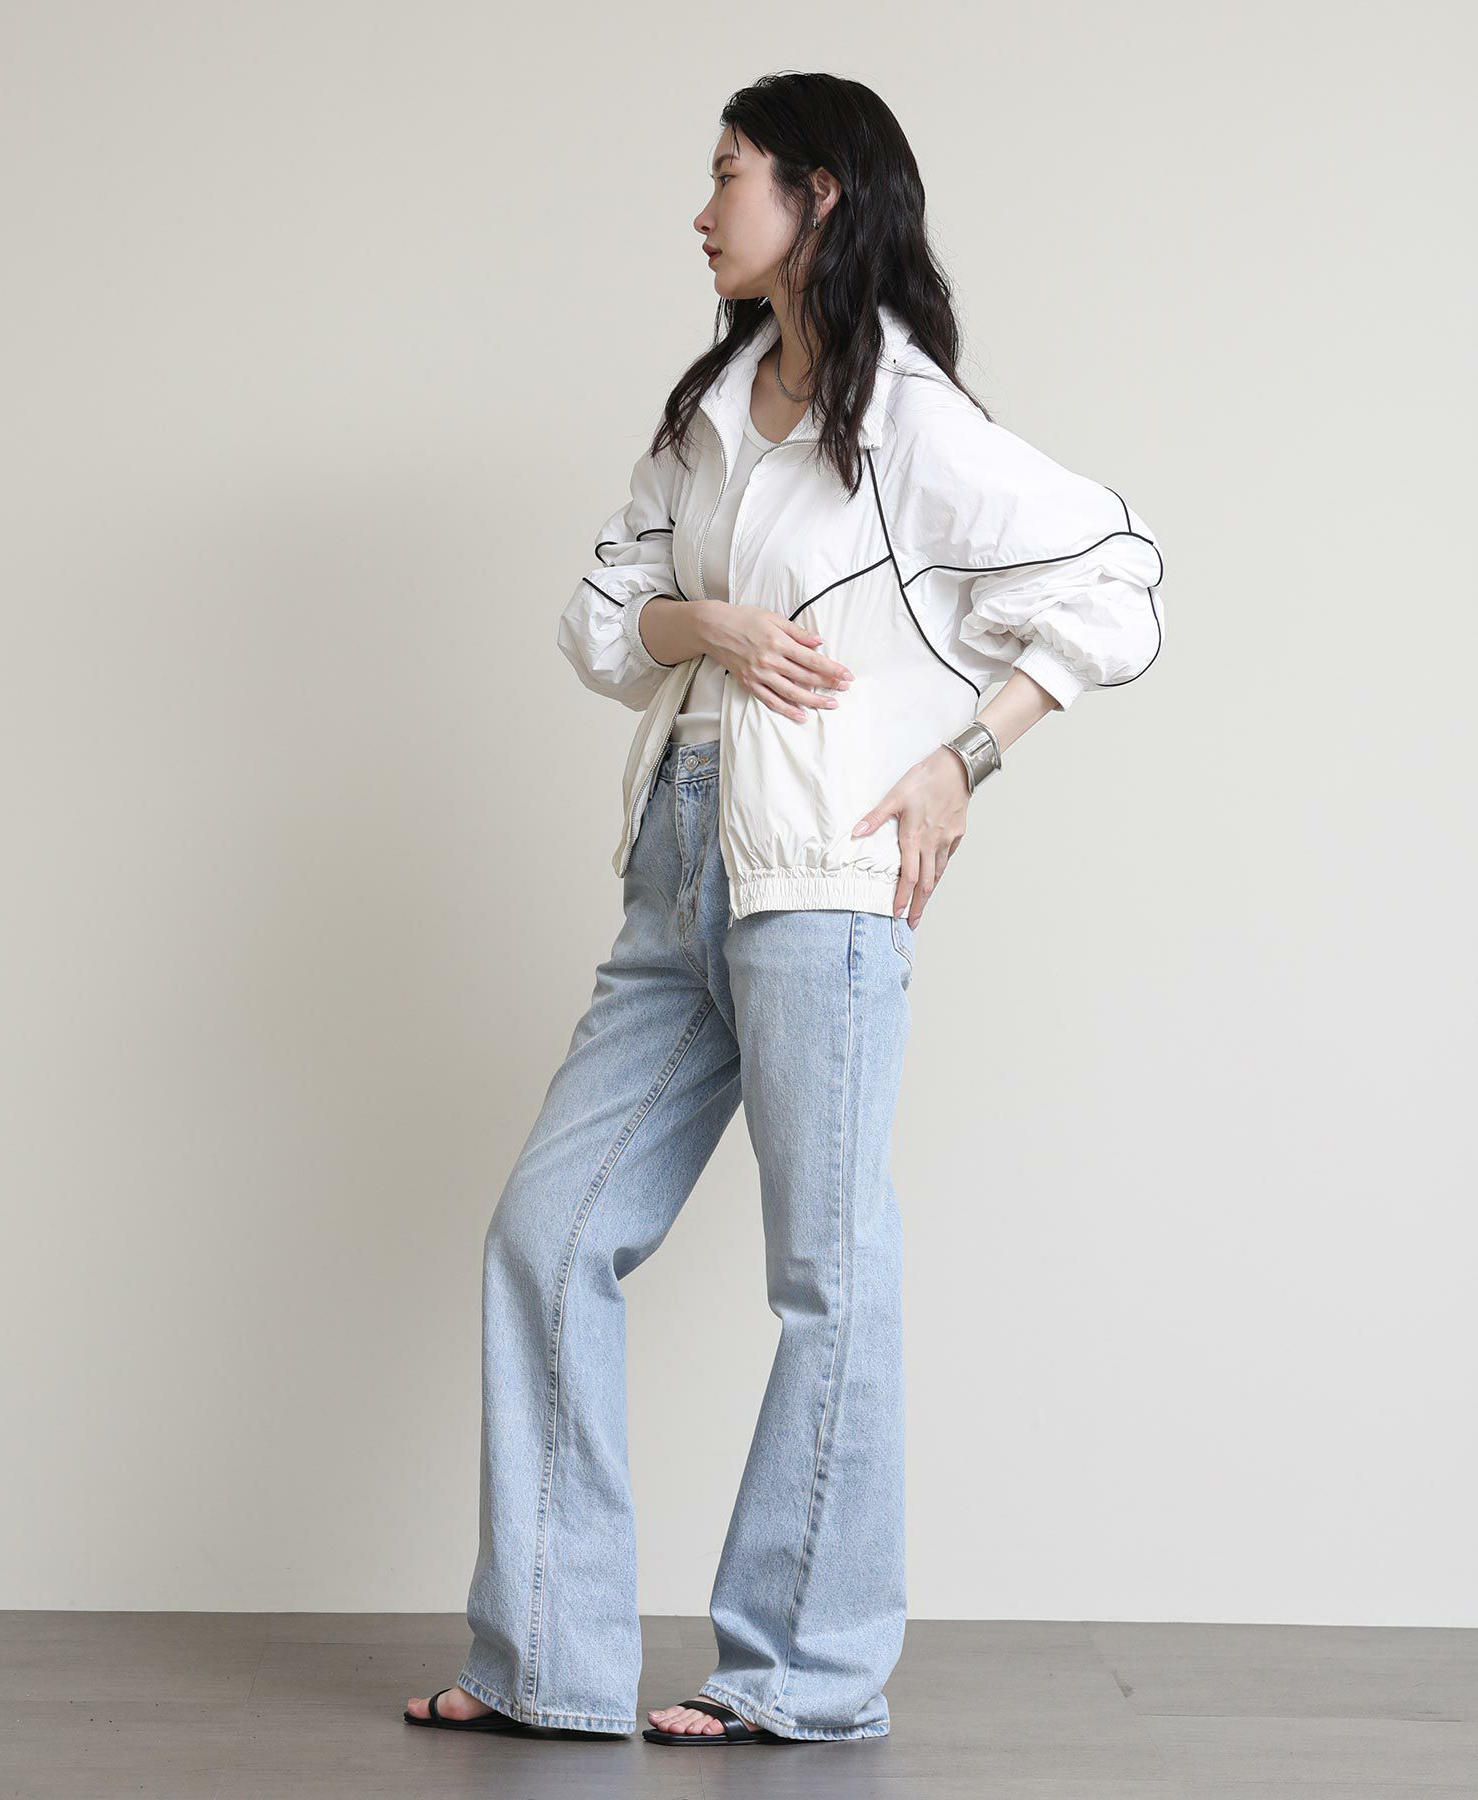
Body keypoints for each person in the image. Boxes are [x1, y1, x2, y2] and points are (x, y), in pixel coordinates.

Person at [405, 71, 1165, 1750]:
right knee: (548, 1233)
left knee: (830, 1274)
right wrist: (712, 627)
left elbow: (1115, 578)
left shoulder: (912, 427)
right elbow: (599, 623)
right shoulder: (709, 410)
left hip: (821, 883)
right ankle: (548, 1663)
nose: (702, 211)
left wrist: (966, 755)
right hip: (677, 868)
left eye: (730, 175)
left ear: (820, 195)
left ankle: (803, 1675)